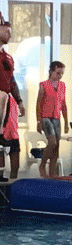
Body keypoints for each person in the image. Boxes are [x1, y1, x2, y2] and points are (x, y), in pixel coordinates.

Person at [36, 60, 70, 178]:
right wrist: (38, 121)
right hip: (46, 117)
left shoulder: (62, 85)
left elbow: (63, 104)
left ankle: (52, 173)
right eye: (58, 73)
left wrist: (66, 122)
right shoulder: (44, 85)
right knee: (52, 142)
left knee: (56, 146)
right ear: (51, 72)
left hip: (56, 117)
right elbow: (38, 103)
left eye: (62, 74)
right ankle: (43, 164)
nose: (60, 76)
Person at [0, 13, 23, 182]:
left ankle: (13, 179)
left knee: (12, 140)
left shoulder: (7, 57)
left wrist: (20, 100)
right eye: (6, 31)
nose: (10, 34)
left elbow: (12, 80)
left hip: (7, 102)